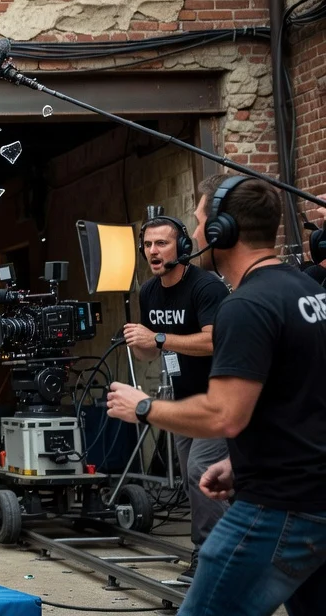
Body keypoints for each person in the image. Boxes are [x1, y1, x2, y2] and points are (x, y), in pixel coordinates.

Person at [107, 176, 326, 615]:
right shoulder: (311, 291)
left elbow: (224, 416)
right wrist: (239, 458)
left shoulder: (245, 305)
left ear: (221, 231)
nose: (200, 228)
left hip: (278, 506)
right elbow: (299, 397)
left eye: (202, 219)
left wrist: (144, 408)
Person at [122, 215, 230, 578]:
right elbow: (150, 353)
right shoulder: (149, 291)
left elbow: (216, 339)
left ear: (182, 246)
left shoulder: (206, 287)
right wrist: (141, 343)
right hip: (182, 398)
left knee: (202, 473)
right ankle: (227, 548)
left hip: (218, 396)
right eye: (148, 245)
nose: (153, 251)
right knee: (192, 478)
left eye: (162, 243)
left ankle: (210, 556)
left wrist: (160, 338)